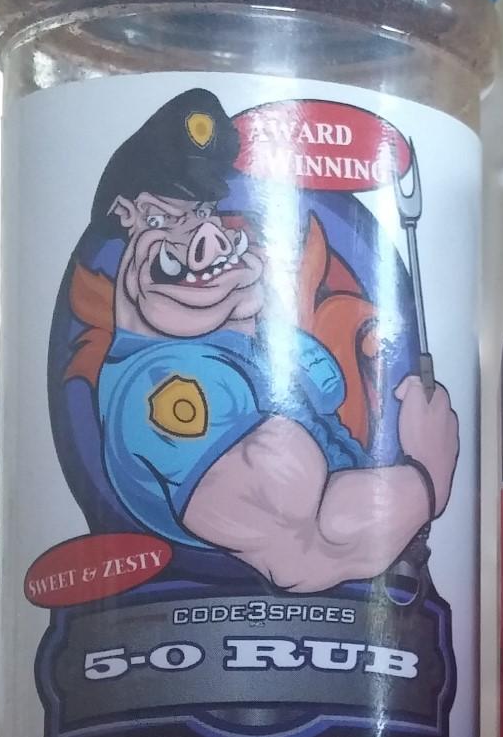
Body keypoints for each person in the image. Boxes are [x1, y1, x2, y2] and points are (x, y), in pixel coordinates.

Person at [58, 88, 459, 594]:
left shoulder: (241, 343)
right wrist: (427, 480)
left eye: (202, 213)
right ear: (126, 218)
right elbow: (303, 552)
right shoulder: (163, 392)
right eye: (161, 221)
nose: (205, 239)